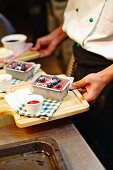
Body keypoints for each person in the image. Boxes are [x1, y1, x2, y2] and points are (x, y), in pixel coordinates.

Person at [31, 1, 113, 169]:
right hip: (85, 65)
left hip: (106, 73)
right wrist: (57, 36)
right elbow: (86, 10)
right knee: (86, 140)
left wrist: (105, 76)